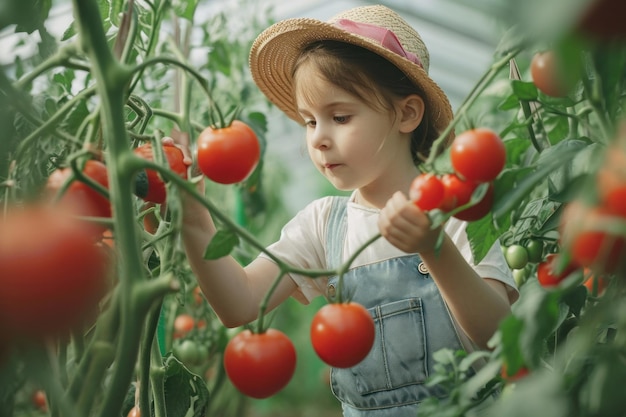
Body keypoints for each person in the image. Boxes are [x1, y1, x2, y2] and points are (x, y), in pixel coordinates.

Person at [175, 4, 519, 416]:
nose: (319, 138)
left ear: (407, 113)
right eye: (309, 121)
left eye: (339, 116)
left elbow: (501, 338)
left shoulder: (460, 210)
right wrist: (193, 214)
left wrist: (435, 248)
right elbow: (240, 303)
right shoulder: (324, 226)